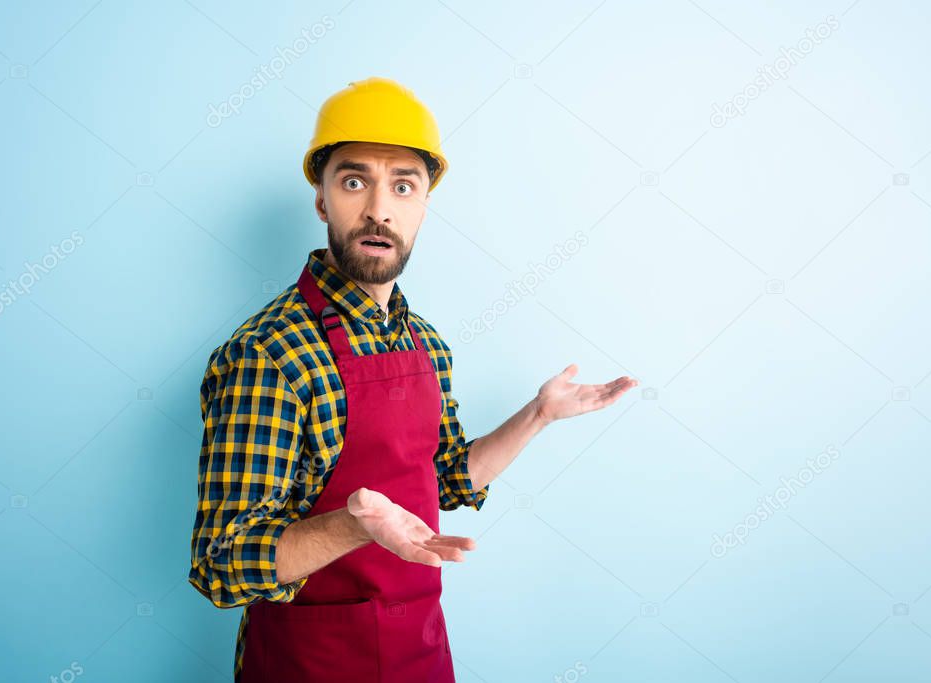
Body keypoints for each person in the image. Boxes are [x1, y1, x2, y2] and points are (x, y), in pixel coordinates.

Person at [188, 76, 639, 682]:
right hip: (310, 663)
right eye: (354, 181)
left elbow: (445, 478)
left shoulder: (425, 342)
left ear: (424, 204)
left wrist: (538, 415)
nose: (379, 208)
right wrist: (354, 527)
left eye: (403, 185)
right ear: (321, 200)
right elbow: (223, 564)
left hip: (419, 654)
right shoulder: (267, 355)